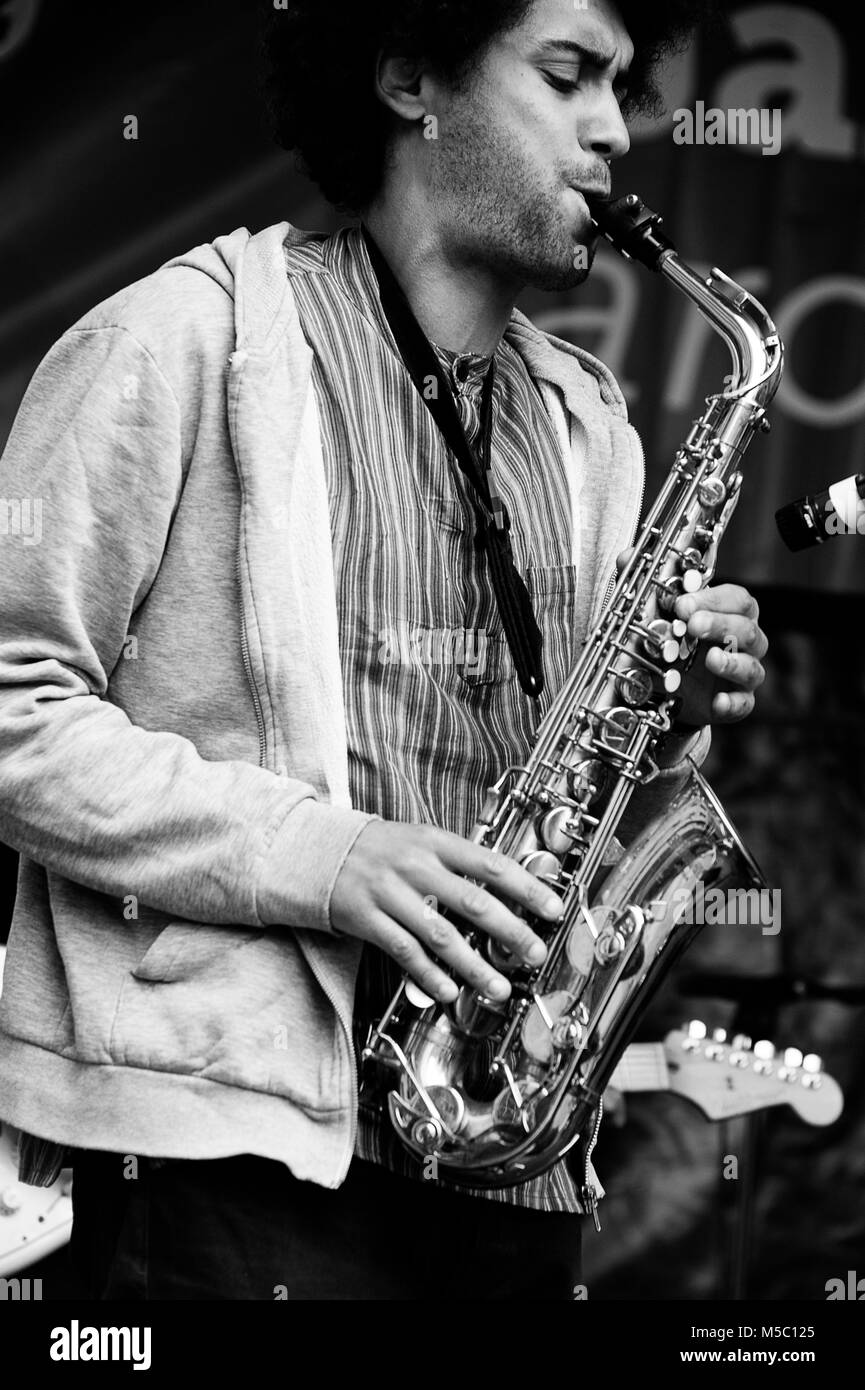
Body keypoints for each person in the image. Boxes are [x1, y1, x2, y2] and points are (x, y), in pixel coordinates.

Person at [0, 0, 767, 1301]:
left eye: (621, 87)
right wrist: (326, 854)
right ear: (411, 77)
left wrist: (669, 708)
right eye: (570, 76)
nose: (609, 133)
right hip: (233, 1166)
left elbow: (569, 787)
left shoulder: (593, 424)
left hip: (506, 1152)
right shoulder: (177, 341)